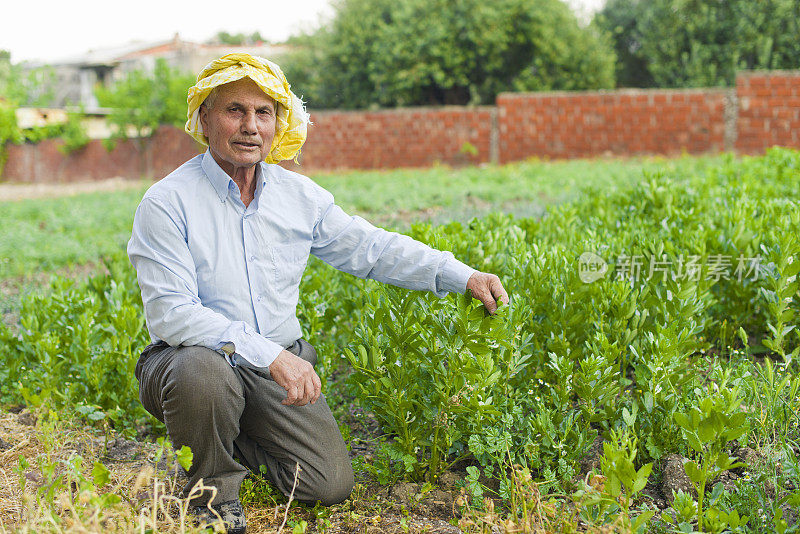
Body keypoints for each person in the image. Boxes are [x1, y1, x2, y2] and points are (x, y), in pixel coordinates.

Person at [127, 53, 508, 534]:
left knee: (326, 485)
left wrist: (459, 274)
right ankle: (211, 495)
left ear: (277, 123)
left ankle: (226, 434)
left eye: (263, 113)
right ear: (204, 117)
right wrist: (272, 357)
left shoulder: (298, 196)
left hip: (273, 364)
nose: (250, 126)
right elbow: (172, 314)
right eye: (234, 110)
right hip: (191, 361)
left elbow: (371, 248)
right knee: (203, 373)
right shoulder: (167, 202)